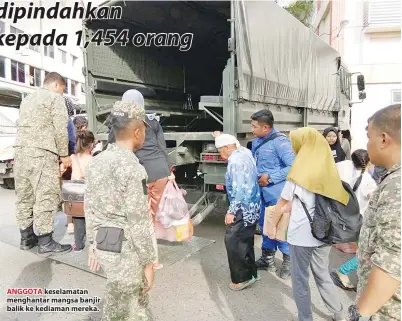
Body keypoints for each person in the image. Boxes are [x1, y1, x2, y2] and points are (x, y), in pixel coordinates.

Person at [85, 100, 157, 321]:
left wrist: (92, 244)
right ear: (137, 132)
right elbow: (138, 220)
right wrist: (148, 262)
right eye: (145, 129)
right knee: (132, 309)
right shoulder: (133, 168)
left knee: (116, 302)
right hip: (127, 249)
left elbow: (89, 206)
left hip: (105, 242)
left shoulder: (96, 162)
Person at [268, 127, 347, 321]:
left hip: (302, 236)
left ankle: (305, 318)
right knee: (322, 274)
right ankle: (339, 313)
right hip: (326, 233)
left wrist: (271, 227)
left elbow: (282, 204)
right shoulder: (330, 169)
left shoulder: (298, 173)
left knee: (300, 280)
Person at [107, 89, 171, 270]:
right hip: (159, 173)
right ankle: (153, 260)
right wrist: (169, 170)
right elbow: (162, 147)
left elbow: (112, 147)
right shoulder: (152, 121)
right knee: (149, 216)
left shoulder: (119, 122)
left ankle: (145, 259)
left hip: (138, 173)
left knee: (137, 217)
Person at [348, 104, 401, 321]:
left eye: (369, 137)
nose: (367, 144)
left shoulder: (397, 185)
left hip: (386, 312)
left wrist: (360, 314)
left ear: (383, 139)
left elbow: (393, 260)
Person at [14, 72, 72, 256]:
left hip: (21, 153)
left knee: (25, 196)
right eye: (62, 89)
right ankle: (45, 241)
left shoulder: (27, 99)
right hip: (42, 153)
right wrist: (64, 155)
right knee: (46, 195)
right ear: (56, 85)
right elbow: (60, 130)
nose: (62, 93)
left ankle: (26, 237)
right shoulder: (55, 99)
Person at [250, 109, 295, 279]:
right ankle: (267, 258)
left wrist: (270, 178)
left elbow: (292, 166)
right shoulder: (257, 142)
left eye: (255, 126)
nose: (252, 130)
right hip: (262, 193)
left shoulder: (281, 142)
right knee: (265, 225)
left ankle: (287, 262)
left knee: (280, 226)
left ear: (266, 128)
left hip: (277, 192)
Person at [214, 133, 260, 291]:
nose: (221, 154)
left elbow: (239, 189)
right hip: (252, 205)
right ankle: (252, 273)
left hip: (241, 207)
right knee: (246, 239)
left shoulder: (235, 161)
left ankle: (242, 278)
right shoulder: (244, 152)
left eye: (220, 150)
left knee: (233, 241)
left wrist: (231, 211)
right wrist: (219, 136)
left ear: (227, 147)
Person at [330, 149, 377, 291]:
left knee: (365, 252)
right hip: (363, 223)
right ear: (368, 163)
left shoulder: (346, 173)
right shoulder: (368, 180)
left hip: (350, 221)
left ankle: (354, 275)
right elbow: (374, 199)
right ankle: (343, 271)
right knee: (368, 253)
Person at [70, 130, 95, 252]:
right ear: (91, 144)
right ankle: (94, 243)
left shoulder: (73, 157)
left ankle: (78, 245)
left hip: (76, 193)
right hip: (90, 193)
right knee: (93, 219)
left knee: (78, 220)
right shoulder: (93, 159)